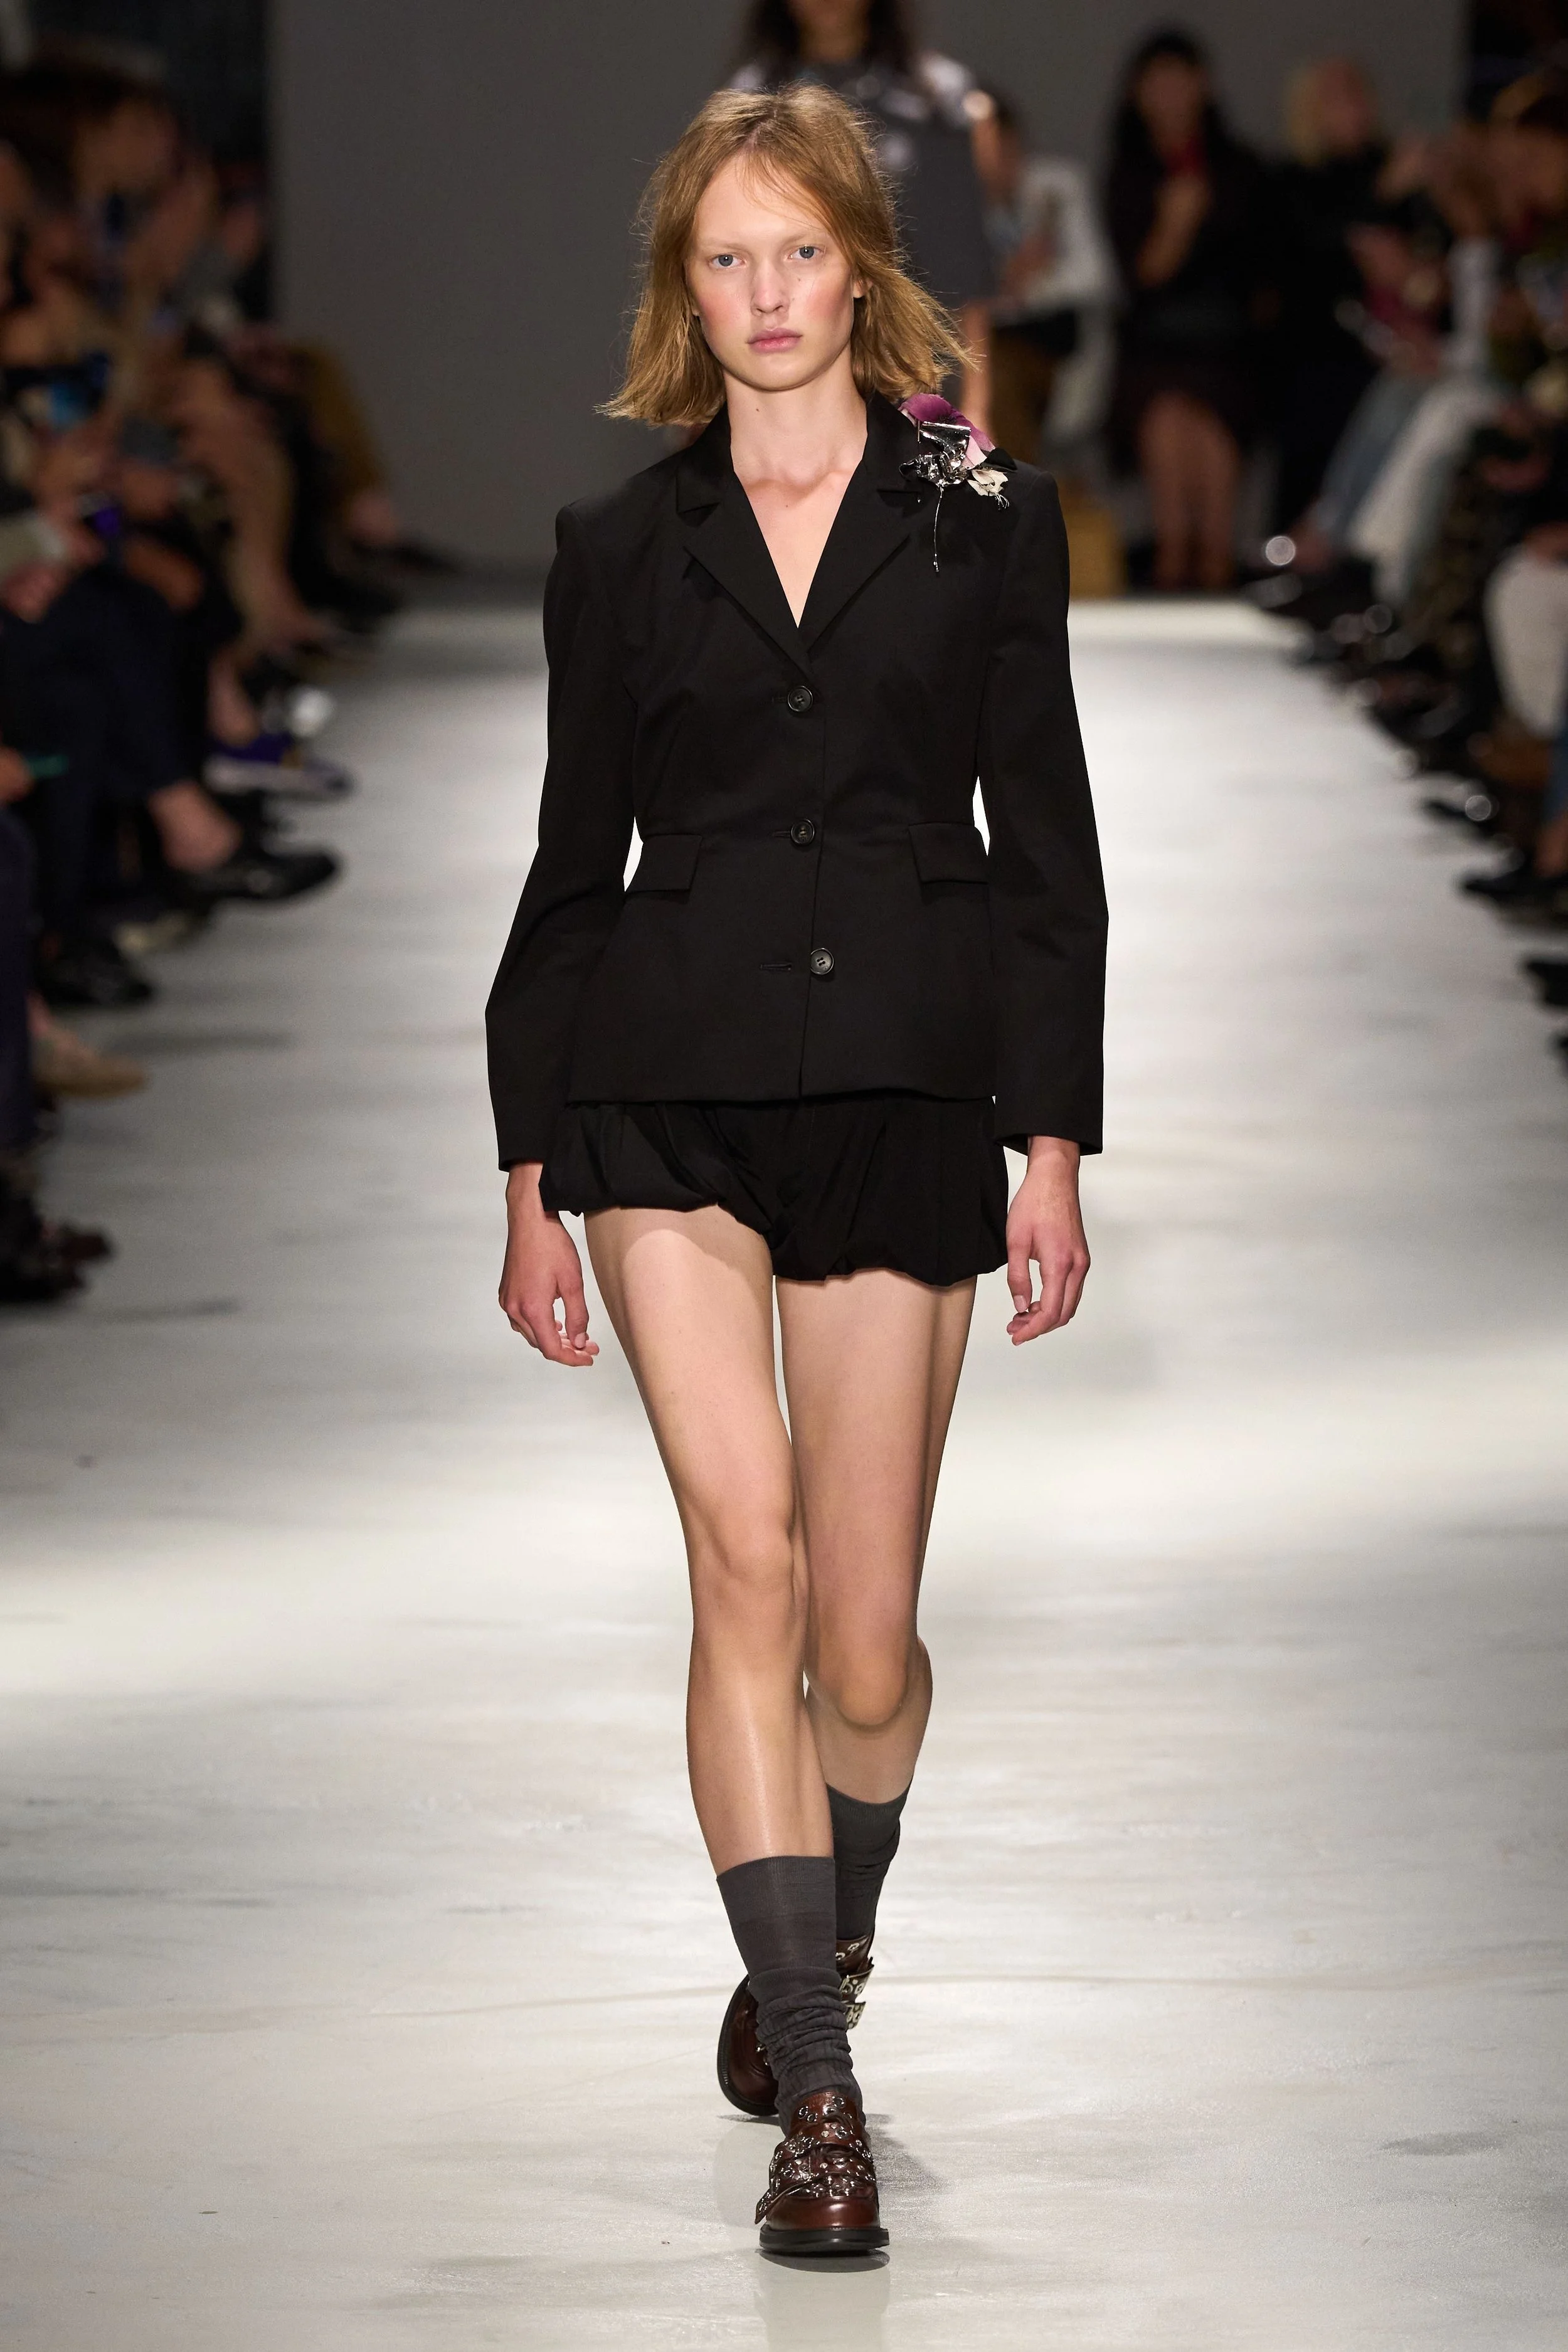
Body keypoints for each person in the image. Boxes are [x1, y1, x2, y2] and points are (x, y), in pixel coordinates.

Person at [487, 84, 1104, 2255]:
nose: (764, 294)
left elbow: (1045, 851)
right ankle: (818, 2100)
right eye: (725, 258)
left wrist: (1050, 1142)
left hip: (908, 1093)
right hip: (667, 1094)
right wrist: (528, 1167)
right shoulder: (618, 551)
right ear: (688, 286)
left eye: (799, 253)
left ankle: (822, 1932)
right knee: (737, 1563)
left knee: (862, 1643)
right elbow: (571, 871)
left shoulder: (984, 518)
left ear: (861, 269)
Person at [730, 0, 996, 430]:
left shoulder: (937, 98)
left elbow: (963, 263)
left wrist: (978, 407)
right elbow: (729, 257)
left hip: (915, 374)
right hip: (786, 376)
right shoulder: (747, 100)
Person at [1104, 26, 1271, 590]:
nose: (1172, 96)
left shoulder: (1242, 169)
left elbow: (1263, 270)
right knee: (1166, 414)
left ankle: (1216, 557)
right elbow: (1136, 280)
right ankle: (1175, 557)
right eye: (1158, 83)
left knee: (1209, 414)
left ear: (1205, 87)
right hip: (1153, 347)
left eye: (1182, 81)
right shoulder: (1129, 174)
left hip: (1231, 346)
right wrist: (1175, 227)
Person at [972, 87, 1117, 464]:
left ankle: (1013, 493)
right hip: (979, 347)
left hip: (1055, 345)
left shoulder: (1059, 187)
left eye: (1001, 148)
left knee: (996, 379)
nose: (991, 163)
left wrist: (1029, 284)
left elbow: (1095, 276)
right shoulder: (951, 204)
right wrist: (1004, 279)